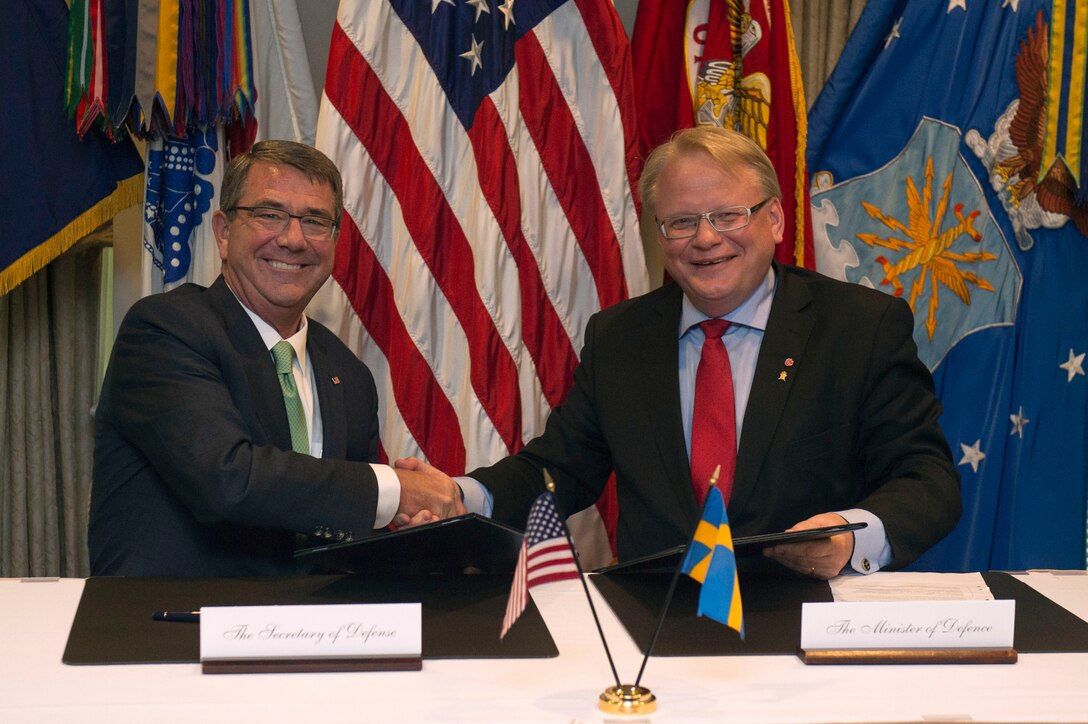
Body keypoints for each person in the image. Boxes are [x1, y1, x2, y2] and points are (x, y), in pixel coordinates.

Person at [401, 125, 961, 578]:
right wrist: (459, 495)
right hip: (656, 630)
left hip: (808, 620)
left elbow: (927, 479)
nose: (706, 239)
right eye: (682, 222)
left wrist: (851, 533)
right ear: (659, 236)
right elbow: (557, 471)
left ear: (775, 219)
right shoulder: (620, 338)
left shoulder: (860, 327)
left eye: (727, 215)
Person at [89, 140, 465, 576]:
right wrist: (394, 490)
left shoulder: (350, 375)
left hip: (316, 638)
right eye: (269, 214)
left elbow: (337, 524)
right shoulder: (164, 330)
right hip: (176, 635)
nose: (293, 239)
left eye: (315, 221)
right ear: (224, 232)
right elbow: (229, 479)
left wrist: (401, 527)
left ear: (336, 240)